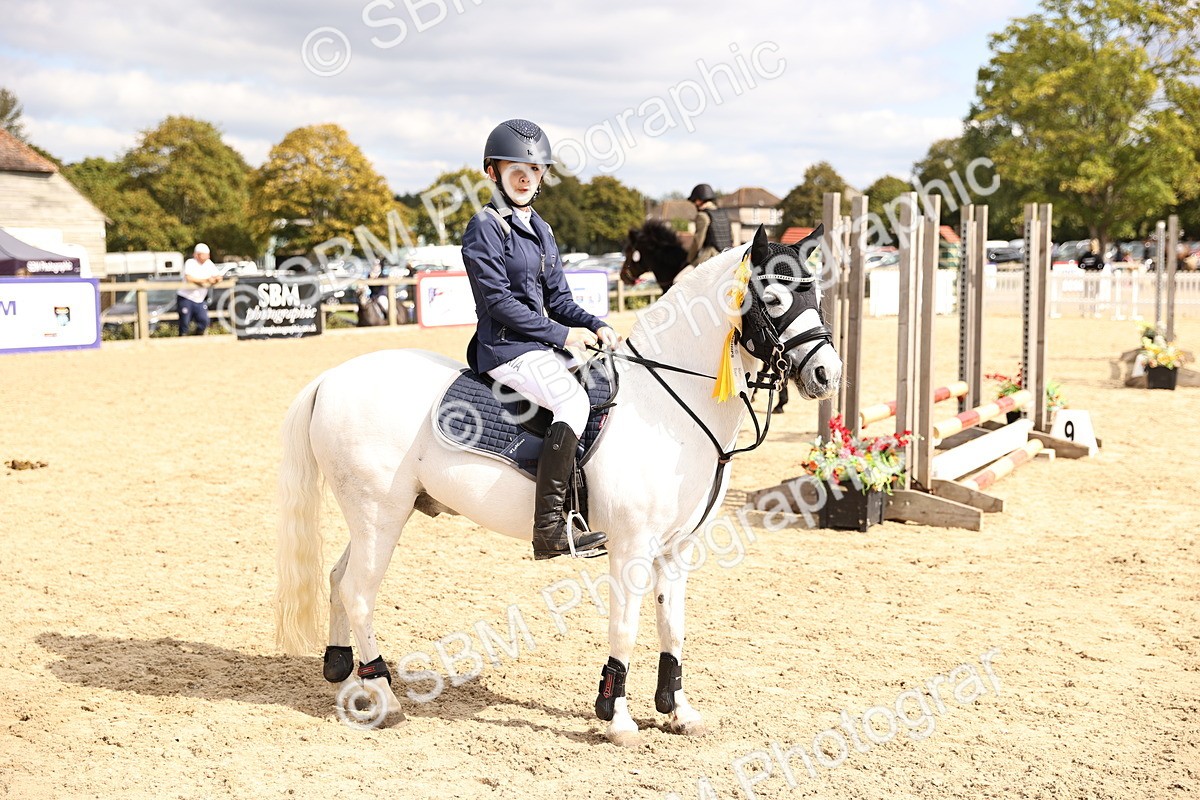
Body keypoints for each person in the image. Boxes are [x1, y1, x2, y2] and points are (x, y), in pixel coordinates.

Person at [461, 119, 619, 560]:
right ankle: (548, 528)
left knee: (604, 385)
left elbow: (560, 299)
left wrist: (594, 323)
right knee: (572, 402)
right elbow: (498, 303)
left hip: (538, 346)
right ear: (493, 172)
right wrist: (563, 335)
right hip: (504, 349)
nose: (526, 176)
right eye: (516, 168)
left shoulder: (543, 229)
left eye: (535, 169)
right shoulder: (486, 226)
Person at [684, 183, 733, 267]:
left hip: (711, 257)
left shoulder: (702, 216)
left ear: (699, 200)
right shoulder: (724, 214)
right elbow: (732, 238)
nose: (695, 204)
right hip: (728, 257)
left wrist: (688, 260)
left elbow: (698, 241)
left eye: (695, 201)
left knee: (679, 278)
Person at [178, 243, 222, 335]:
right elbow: (189, 278)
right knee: (184, 322)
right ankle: (183, 339)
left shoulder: (209, 264)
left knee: (204, 321)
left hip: (199, 299)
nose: (208, 257)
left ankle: (197, 337)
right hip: (186, 297)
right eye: (205, 255)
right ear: (197, 255)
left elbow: (218, 276)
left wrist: (215, 280)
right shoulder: (190, 263)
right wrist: (206, 280)